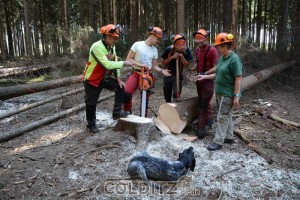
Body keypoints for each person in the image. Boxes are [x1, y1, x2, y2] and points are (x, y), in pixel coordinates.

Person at [196, 32, 243, 151]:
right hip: (220, 92)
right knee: (227, 115)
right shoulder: (223, 58)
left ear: (224, 46)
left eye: (218, 46)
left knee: (221, 116)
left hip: (228, 93)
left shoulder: (234, 59)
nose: (216, 48)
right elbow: (218, 72)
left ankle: (218, 141)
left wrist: (236, 96)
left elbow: (238, 78)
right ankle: (228, 136)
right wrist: (204, 76)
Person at [82, 24, 132, 133]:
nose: (116, 40)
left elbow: (114, 62)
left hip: (105, 77)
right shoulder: (97, 47)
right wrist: (125, 63)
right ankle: (91, 124)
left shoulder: (111, 47)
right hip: (92, 79)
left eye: (117, 38)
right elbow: (107, 65)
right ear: (107, 36)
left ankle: (116, 113)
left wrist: (118, 78)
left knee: (120, 88)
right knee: (91, 102)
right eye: (114, 38)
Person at [123, 26, 171, 117]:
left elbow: (154, 65)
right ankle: (127, 111)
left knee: (145, 97)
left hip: (147, 75)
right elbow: (128, 59)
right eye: (158, 39)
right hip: (136, 72)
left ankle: (143, 116)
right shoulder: (137, 44)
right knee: (127, 92)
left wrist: (161, 71)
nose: (158, 41)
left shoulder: (155, 50)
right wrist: (141, 65)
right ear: (153, 35)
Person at [191, 29, 219, 138]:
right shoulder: (197, 50)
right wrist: (191, 69)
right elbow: (198, 62)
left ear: (206, 38)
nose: (198, 41)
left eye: (201, 38)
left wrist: (205, 73)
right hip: (199, 80)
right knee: (203, 101)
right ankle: (209, 119)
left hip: (208, 80)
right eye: (197, 38)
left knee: (203, 103)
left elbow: (217, 67)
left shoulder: (212, 50)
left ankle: (201, 127)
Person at [161, 34, 192, 102]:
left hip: (178, 75)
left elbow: (187, 65)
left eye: (182, 44)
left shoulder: (187, 51)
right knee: (167, 94)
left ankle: (176, 106)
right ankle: (168, 106)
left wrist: (181, 56)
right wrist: (172, 57)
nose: (180, 46)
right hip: (167, 74)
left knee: (176, 94)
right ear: (174, 44)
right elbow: (163, 62)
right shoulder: (169, 49)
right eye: (178, 44)